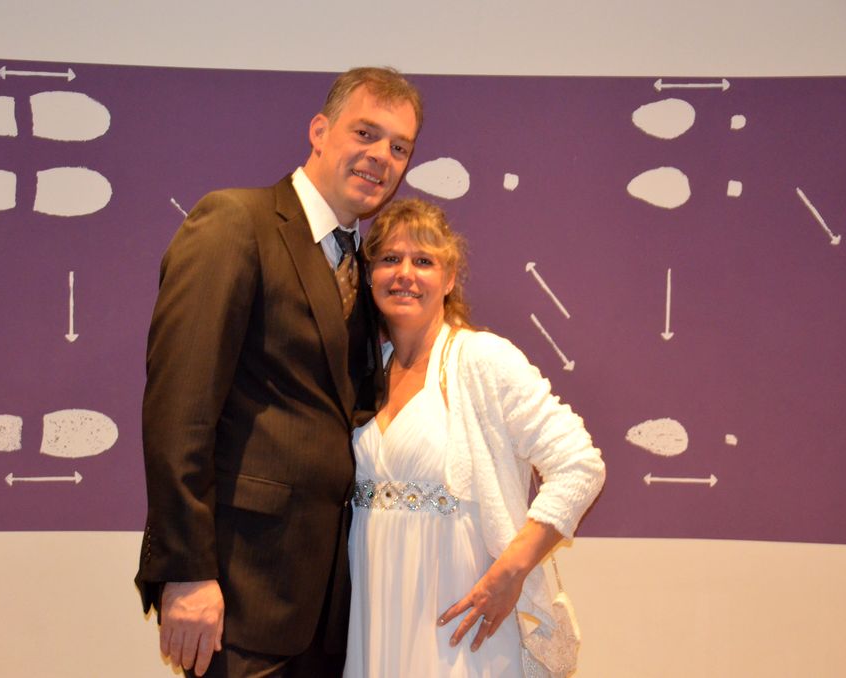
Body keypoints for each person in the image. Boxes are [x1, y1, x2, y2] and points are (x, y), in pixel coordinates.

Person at [135, 68, 423, 676]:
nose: (382, 156)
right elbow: (179, 409)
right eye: (366, 133)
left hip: (330, 609)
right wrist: (187, 571)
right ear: (319, 131)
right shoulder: (235, 222)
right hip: (240, 592)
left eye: (400, 147)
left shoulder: (363, 268)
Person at [343, 199, 606, 677]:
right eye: (390, 259)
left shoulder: (483, 360)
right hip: (374, 614)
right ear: (369, 274)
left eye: (424, 261)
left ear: (449, 278)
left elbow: (580, 466)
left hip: (461, 623)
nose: (405, 274)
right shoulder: (362, 371)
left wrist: (511, 572)